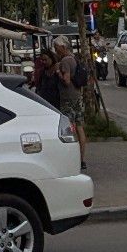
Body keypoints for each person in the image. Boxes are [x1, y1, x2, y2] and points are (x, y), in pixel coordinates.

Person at [53, 36, 89, 167]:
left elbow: (66, 81)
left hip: (68, 98)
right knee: (79, 127)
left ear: (63, 47)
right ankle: (82, 158)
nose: (56, 51)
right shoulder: (74, 58)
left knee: (70, 127)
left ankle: (72, 158)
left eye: (57, 49)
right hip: (78, 96)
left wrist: (58, 72)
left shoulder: (65, 62)